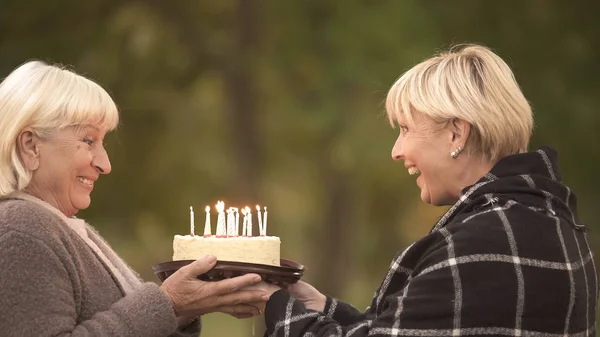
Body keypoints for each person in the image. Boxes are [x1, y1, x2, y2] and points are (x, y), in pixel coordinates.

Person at [255, 44, 598, 336]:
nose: (396, 150)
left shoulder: (479, 244)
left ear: (456, 134)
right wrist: (320, 307)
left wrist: (272, 304)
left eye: (405, 129)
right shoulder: (552, 224)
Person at [0, 61, 270, 336]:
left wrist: (185, 308)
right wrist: (168, 303)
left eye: (102, 142)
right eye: (88, 140)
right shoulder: (21, 230)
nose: (105, 164)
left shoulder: (55, 227)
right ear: (31, 146)